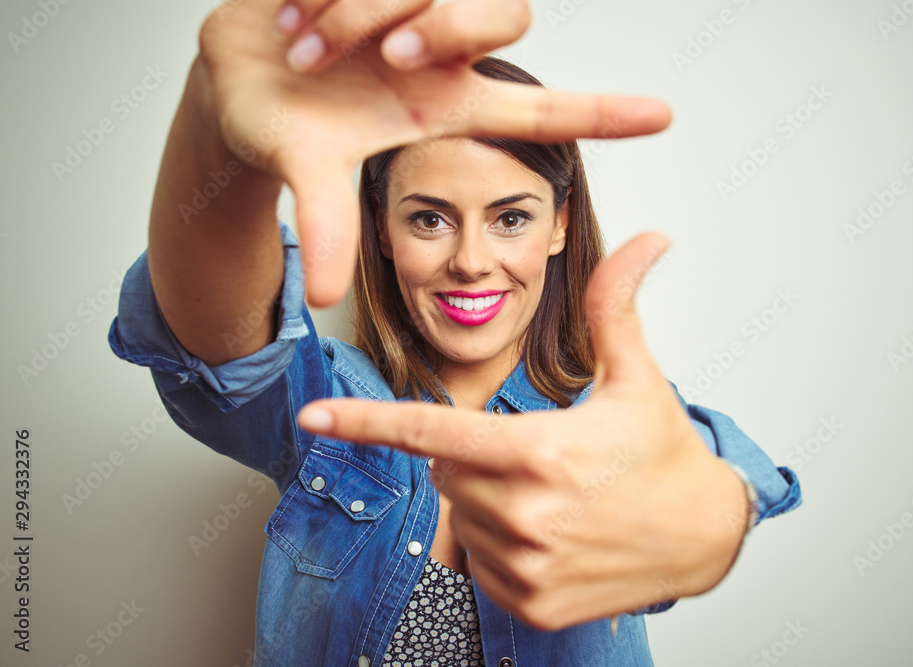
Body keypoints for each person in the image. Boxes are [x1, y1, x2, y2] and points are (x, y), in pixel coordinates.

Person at [108, 0, 802, 665]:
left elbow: (705, 475)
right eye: (429, 218)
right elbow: (213, 334)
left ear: (559, 223)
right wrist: (218, 143)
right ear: (381, 227)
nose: (470, 260)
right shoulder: (331, 409)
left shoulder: (608, 417)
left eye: (511, 217)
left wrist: (707, 516)